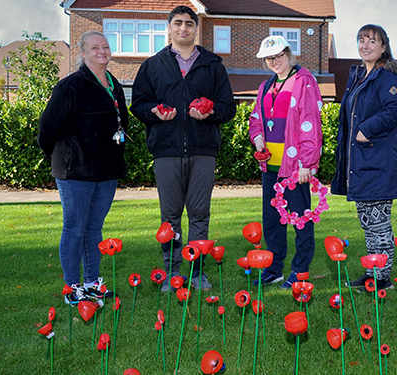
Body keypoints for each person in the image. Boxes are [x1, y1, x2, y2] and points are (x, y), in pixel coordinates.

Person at [130, 6, 236, 292]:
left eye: (189, 24)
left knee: (199, 213)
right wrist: (154, 112)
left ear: (196, 28)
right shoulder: (153, 65)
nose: (183, 28)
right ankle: (172, 272)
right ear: (169, 27)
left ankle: (198, 272)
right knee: (170, 216)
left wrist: (210, 113)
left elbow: (228, 107)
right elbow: (138, 104)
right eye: (177, 23)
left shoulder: (213, 65)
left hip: (203, 150)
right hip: (166, 150)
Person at [38, 31, 127, 304]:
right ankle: (72, 287)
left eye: (105, 46)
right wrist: (64, 155)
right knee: (75, 228)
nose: (102, 51)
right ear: (83, 53)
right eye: (95, 47)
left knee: (94, 228)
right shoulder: (70, 86)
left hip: (106, 171)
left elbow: (121, 122)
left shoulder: (114, 84)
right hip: (75, 171)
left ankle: (91, 282)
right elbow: (47, 129)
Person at [331, 24, 397, 291]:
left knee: (378, 222)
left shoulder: (387, 77)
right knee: (368, 221)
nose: (365, 45)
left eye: (372, 41)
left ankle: (382, 278)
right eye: (361, 40)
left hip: (379, 162)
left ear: (383, 47)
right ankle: (372, 273)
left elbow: (396, 111)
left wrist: (366, 129)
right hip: (362, 163)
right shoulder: (359, 76)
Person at [247, 35, 323, 288]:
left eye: (278, 56)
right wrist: (258, 139)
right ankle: (274, 268)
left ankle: (300, 270)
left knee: (300, 219)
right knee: (272, 220)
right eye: (269, 58)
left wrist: (306, 163)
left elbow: (310, 124)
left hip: (295, 167)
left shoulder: (304, 81)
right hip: (270, 166)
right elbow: (256, 119)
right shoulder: (265, 86)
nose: (274, 61)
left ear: (289, 54)